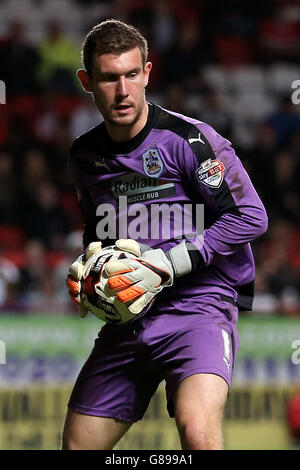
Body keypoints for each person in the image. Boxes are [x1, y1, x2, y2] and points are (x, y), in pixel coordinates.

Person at [62, 19, 268, 450]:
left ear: (148, 73)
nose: (123, 91)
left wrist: (170, 263)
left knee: (198, 434)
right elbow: (99, 231)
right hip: (129, 320)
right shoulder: (84, 156)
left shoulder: (189, 141)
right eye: (109, 78)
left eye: (132, 75)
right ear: (87, 81)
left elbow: (251, 216)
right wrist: (90, 275)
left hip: (199, 308)